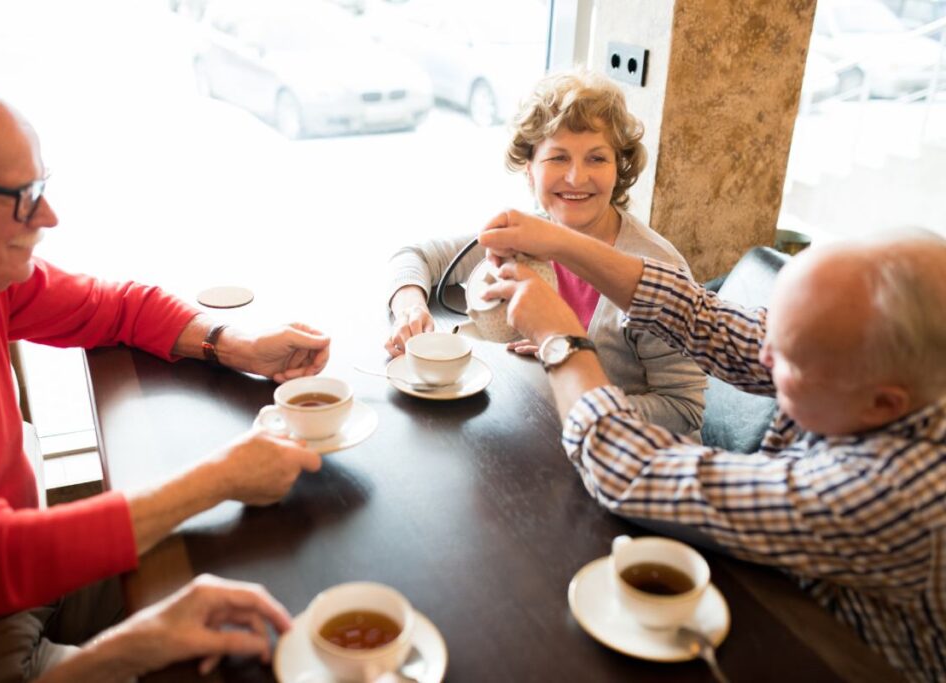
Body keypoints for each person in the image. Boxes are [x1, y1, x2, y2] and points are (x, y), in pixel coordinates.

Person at [0, 83, 325, 678]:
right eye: (22, 197)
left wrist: (235, 344)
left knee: (226, 571)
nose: (49, 217)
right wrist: (219, 479)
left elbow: (114, 306)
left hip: (25, 571)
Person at [479, 216, 946, 683]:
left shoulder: (900, 490)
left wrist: (561, 341)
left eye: (788, 357)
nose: (765, 355)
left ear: (883, 402)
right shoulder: (868, 365)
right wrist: (560, 241)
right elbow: (706, 319)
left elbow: (636, 472)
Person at [0, 294, 295, 681]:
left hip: (17, 587)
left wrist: (234, 343)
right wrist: (138, 646)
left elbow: (109, 305)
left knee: (198, 568)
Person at [385, 70, 706, 435]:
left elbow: (684, 410)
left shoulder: (656, 267)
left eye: (597, 159)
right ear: (529, 170)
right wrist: (410, 308)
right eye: (557, 158)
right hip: (552, 441)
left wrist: (576, 386)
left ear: (620, 169)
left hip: (637, 464)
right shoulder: (526, 236)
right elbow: (417, 255)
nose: (575, 177)